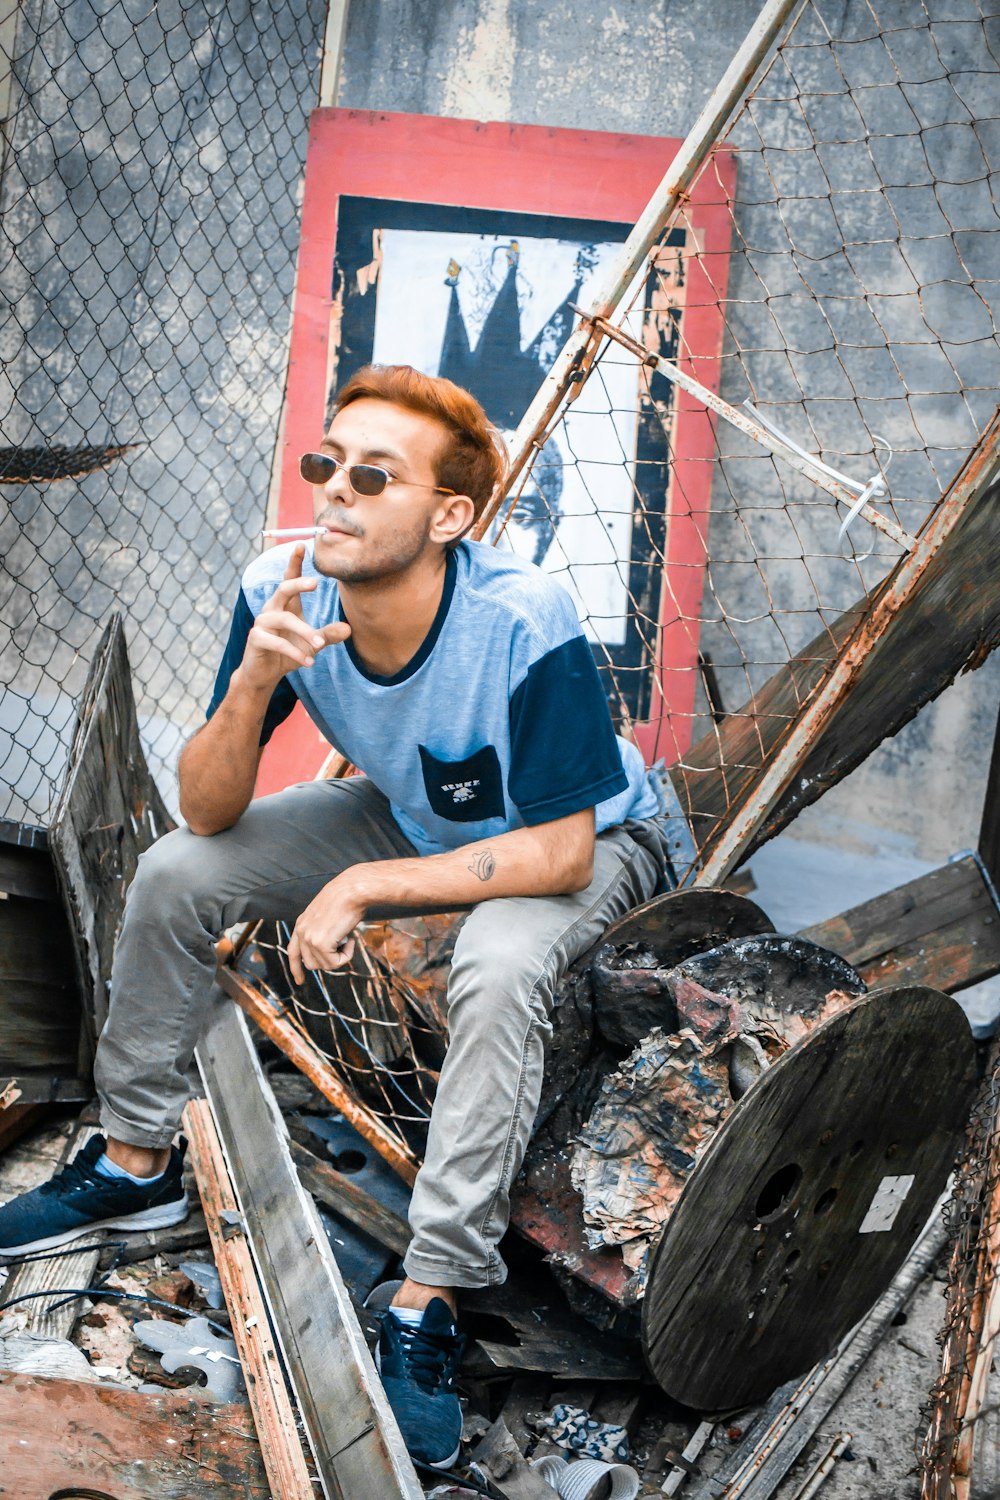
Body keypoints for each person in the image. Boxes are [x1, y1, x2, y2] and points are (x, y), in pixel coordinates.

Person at [0, 365, 670, 1468]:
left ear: (450, 515)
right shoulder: (284, 585)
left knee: (499, 967)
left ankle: (431, 1294)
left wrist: (360, 885)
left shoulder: (520, 616)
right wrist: (255, 679)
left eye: (374, 475)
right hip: (416, 812)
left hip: (589, 838)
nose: (337, 492)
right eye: (327, 464)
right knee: (176, 873)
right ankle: (131, 1163)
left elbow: (557, 852)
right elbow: (209, 810)